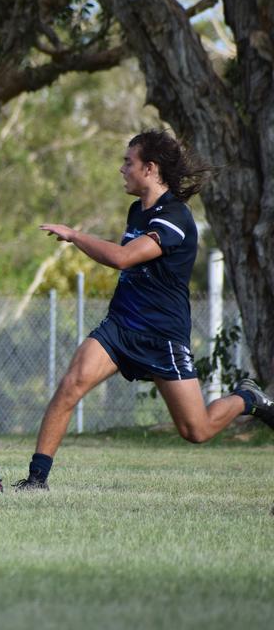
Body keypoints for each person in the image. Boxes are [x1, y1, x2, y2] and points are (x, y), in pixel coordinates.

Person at [15, 130, 274, 491]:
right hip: (120, 327)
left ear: (150, 169)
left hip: (162, 336)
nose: (122, 169)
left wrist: (75, 235)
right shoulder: (137, 210)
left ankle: (248, 399)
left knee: (195, 431)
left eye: (128, 162)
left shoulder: (176, 217)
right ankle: (36, 480)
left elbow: (123, 259)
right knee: (70, 386)